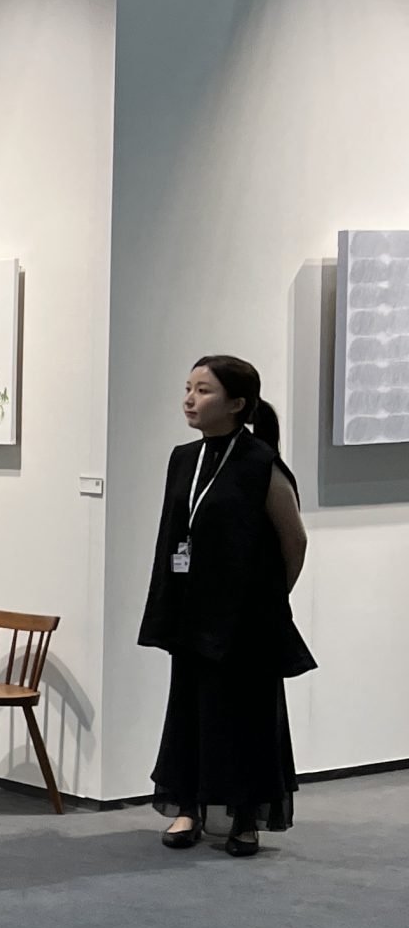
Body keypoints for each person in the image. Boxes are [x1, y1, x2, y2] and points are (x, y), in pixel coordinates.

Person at [138, 354, 312, 857]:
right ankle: (189, 807)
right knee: (190, 711)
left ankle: (245, 818)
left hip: (245, 620)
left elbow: (293, 540)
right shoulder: (183, 459)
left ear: (237, 404)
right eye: (188, 388)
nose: (190, 399)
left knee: (247, 715)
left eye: (204, 391)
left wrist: (271, 601)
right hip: (191, 613)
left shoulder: (261, 462)